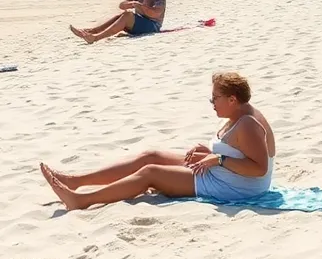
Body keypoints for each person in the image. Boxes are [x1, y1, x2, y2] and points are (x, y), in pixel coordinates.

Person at [40, 72, 274, 210]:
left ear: (232, 99)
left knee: (150, 172)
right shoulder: (238, 114)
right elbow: (239, 150)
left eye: (215, 98)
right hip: (224, 173)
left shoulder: (249, 123)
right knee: (150, 155)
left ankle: (82, 201)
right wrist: (212, 152)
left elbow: (259, 169)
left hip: (234, 187)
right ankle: (75, 181)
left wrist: (219, 159)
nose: (212, 103)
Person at [70, 0, 166, 43]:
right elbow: (122, 5)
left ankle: (96, 37)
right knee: (121, 15)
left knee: (128, 15)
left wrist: (140, 6)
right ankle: (92, 31)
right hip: (141, 23)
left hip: (153, 26)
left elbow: (155, 14)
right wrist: (132, 3)